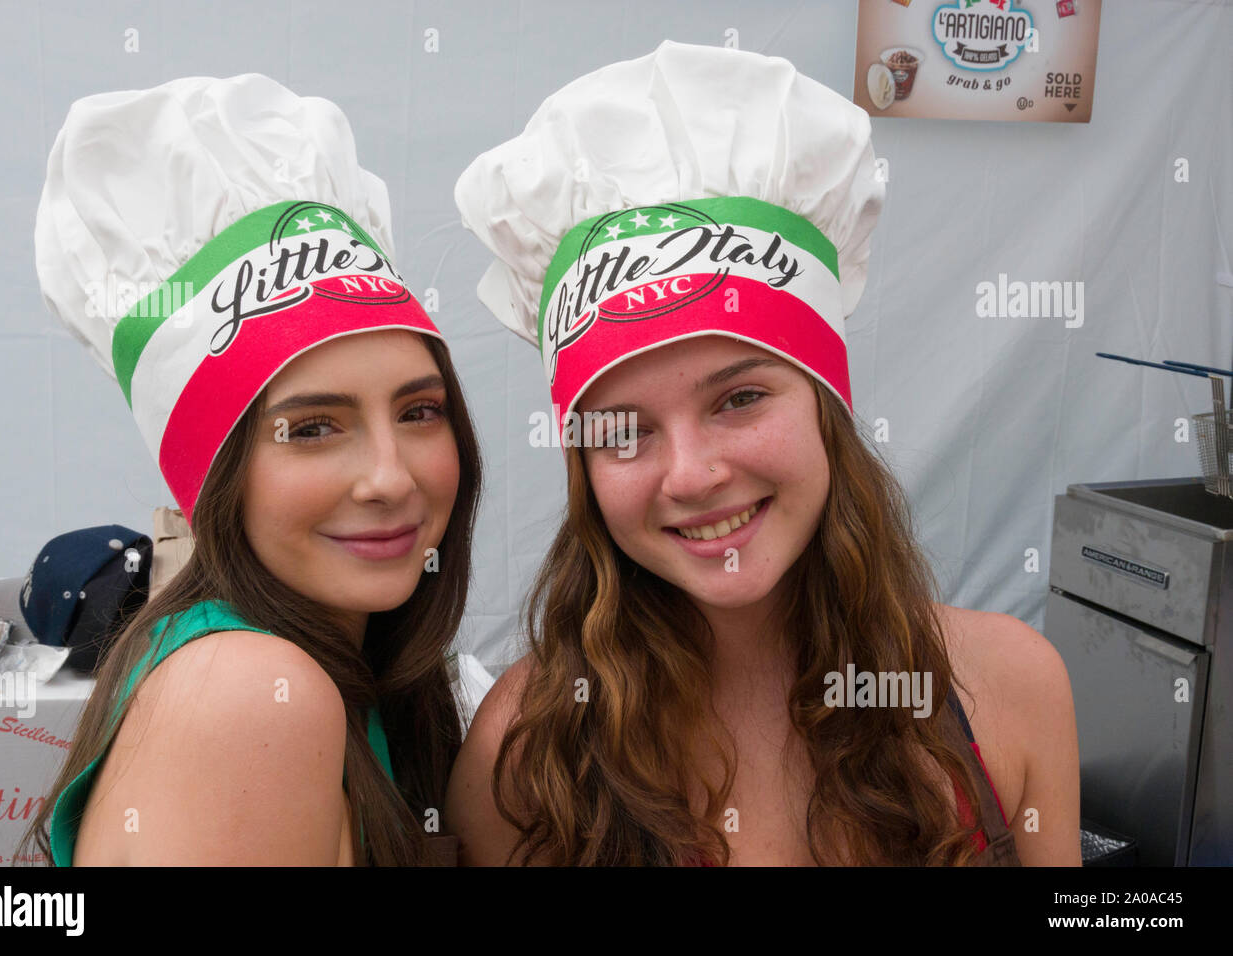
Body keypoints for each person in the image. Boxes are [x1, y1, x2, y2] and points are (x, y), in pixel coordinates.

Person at [445, 41, 1080, 866]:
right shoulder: (524, 750)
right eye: (625, 430)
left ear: (827, 405)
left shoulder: (1011, 686)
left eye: (739, 399)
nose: (694, 474)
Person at [17, 73, 482, 866]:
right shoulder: (251, 695)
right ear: (214, 478)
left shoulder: (360, 674)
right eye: (311, 428)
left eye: (418, 412)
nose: (390, 477)